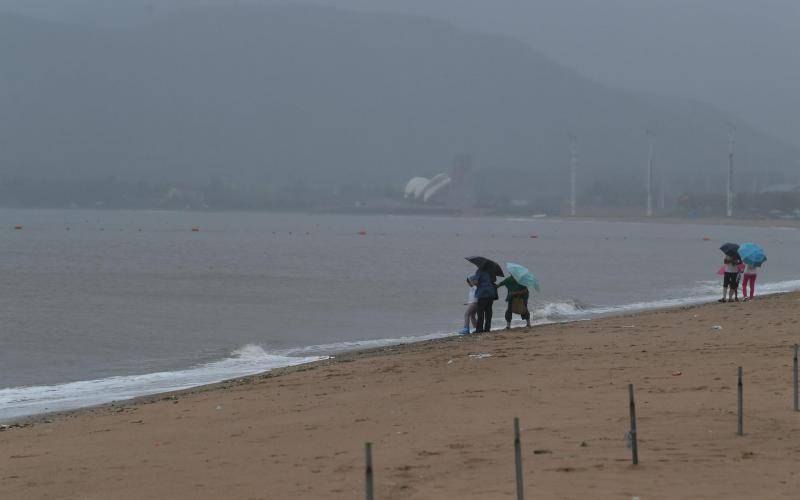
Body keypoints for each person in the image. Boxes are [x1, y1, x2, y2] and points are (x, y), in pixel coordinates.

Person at [469, 268, 497, 333]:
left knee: (480, 311)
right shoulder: (490, 271)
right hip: (491, 292)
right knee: (489, 311)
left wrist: (473, 282)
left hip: (483, 293)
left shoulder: (479, 271)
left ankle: (479, 329)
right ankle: (487, 328)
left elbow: (476, 282)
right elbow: (494, 280)